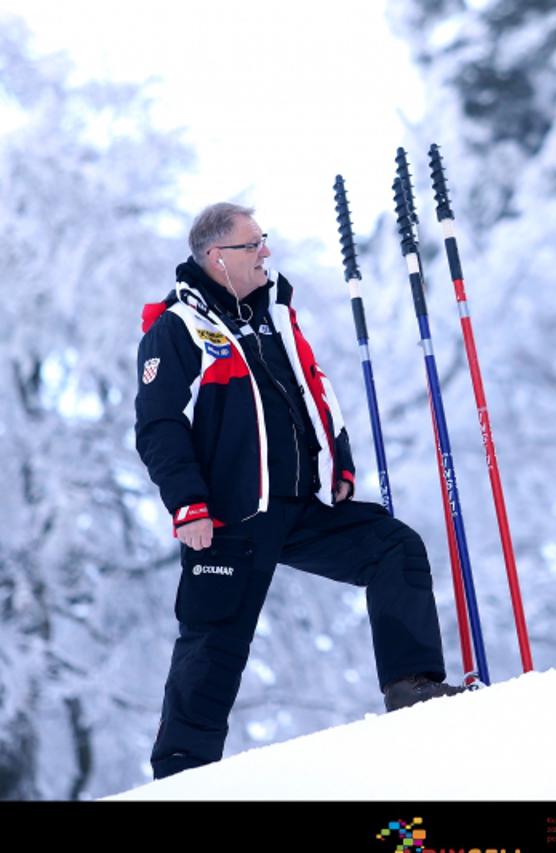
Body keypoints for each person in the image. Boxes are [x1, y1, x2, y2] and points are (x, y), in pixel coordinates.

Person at [135, 203, 462, 779]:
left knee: (395, 548)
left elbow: (314, 390)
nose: (265, 252)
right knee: (213, 640)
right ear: (216, 256)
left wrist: (340, 463)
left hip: (302, 506)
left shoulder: (275, 316)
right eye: (252, 244)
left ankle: (412, 686)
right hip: (232, 517)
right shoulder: (178, 327)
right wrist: (188, 504)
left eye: (263, 240)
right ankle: (180, 773)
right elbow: (158, 424)